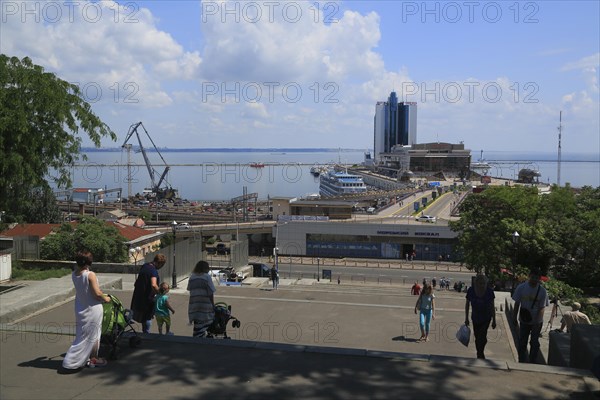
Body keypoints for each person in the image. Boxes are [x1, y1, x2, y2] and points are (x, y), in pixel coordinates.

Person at [62, 251, 111, 369]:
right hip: (92, 308)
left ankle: (90, 358)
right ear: (90, 261)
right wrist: (106, 298)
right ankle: (90, 359)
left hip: (80, 307)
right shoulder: (90, 275)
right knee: (94, 334)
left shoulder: (74, 274)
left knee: (82, 335)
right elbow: (97, 293)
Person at [512, 268, 549, 363]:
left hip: (536, 321)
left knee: (534, 342)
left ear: (539, 279)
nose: (534, 279)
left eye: (536, 278)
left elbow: (542, 307)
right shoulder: (521, 287)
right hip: (524, 320)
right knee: (522, 341)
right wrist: (514, 317)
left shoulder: (542, 291)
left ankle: (532, 360)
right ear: (529, 276)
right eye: (532, 277)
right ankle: (521, 359)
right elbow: (517, 303)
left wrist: (537, 321)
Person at [131, 254, 167, 333]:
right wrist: (160, 294)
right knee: (147, 318)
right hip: (147, 299)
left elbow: (137, 281)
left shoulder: (145, 266)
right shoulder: (153, 271)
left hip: (138, 295)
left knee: (137, 314)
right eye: (162, 265)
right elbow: (153, 285)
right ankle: (146, 335)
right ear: (159, 263)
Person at [465, 274, 497, 359]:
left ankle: (480, 354)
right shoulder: (471, 291)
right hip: (475, 317)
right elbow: (467, 304)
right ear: (476, 283)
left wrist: (494, 320)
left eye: (484, 283)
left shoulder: (489, 292)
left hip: (486, 317)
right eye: (480, 283)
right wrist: (466, 318)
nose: (482, 285)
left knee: (481, 336)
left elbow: (492, 306)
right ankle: (480, 352)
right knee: (477, 337)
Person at [187, 260, 216, 338]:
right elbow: (211, 292)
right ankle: (201, 338)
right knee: (206, 321)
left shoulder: (192, 277)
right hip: (205, 303)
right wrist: (213, 305)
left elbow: (189, 289)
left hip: (194, 303)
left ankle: (198, 335)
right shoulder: (207, 277)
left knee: (198, 322)